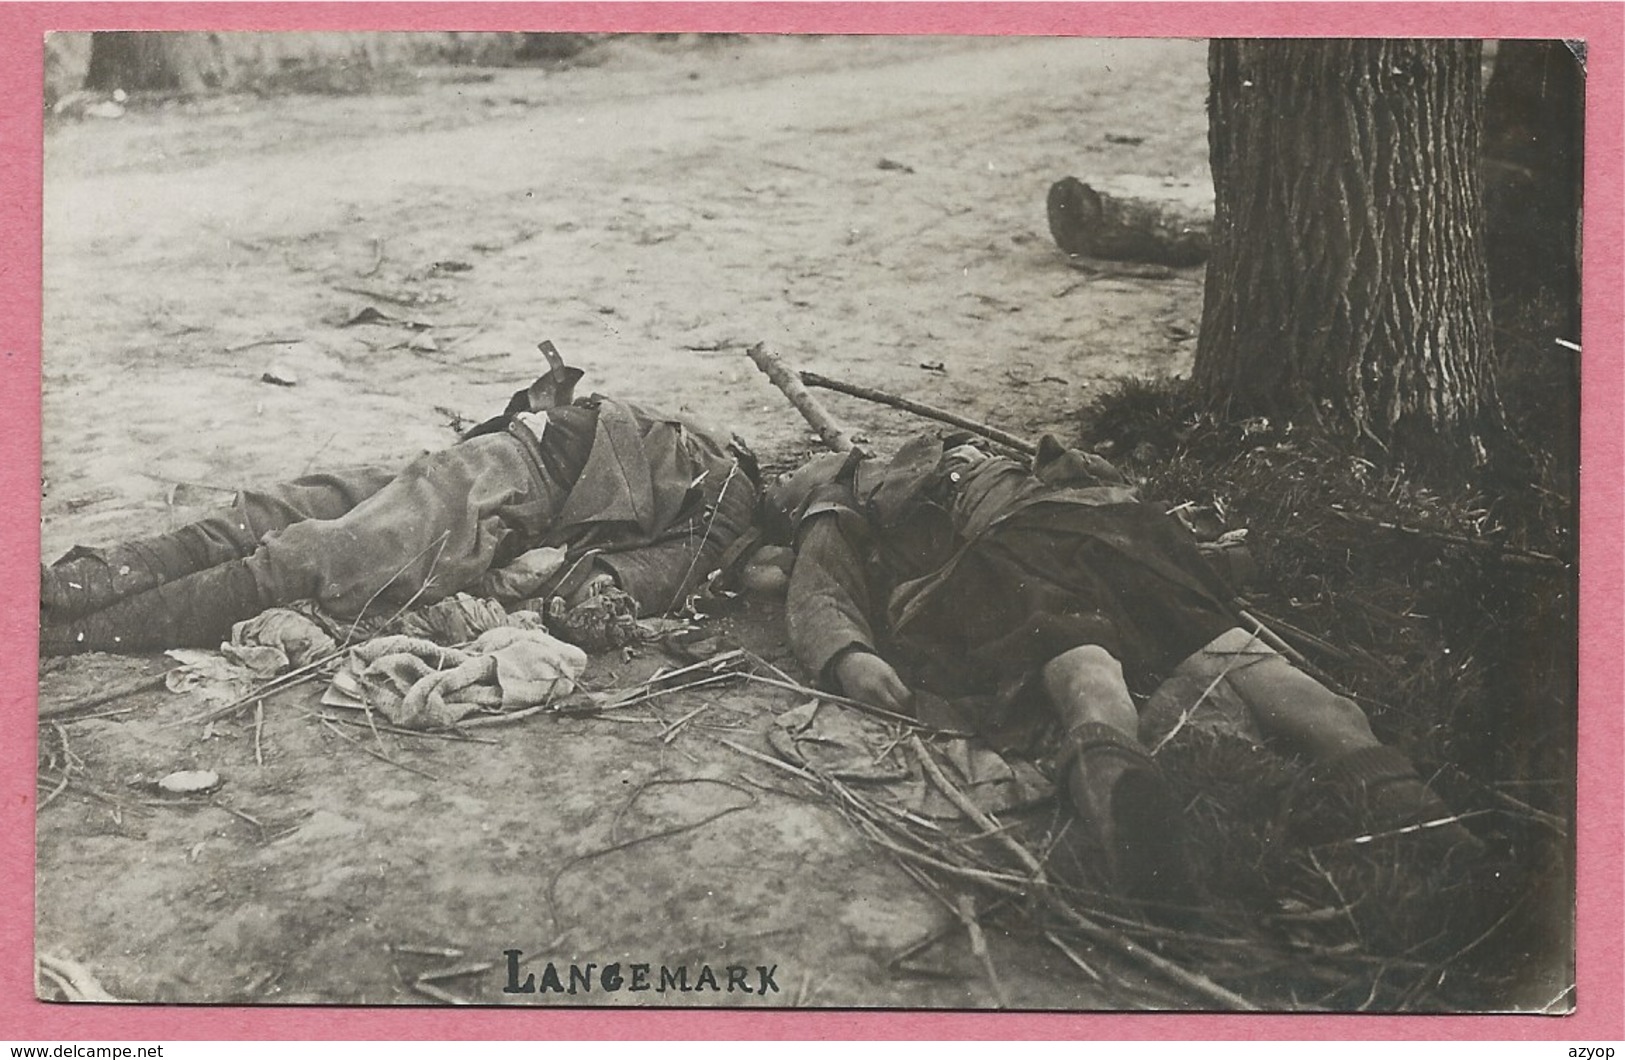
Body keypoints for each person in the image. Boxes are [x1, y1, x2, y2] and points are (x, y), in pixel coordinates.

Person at [770, 432, 1480, 905]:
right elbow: (821, 595)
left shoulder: (851, 492)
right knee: (1251, 664)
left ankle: (1132, 838)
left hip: (1032, 545)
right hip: (1109, 533)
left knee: (1088, 682)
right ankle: (1440, 837)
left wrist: (849, 656)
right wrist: (848, 656)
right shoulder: (845, 498)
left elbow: (819, 594)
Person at [41, 348, 758, 655]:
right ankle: (63, 627)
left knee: (291, 511)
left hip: (500, 451)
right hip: (513, 476)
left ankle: (68, 590)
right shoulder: (735, 493)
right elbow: (621, 583)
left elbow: (619, 577)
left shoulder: (712, 459)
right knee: (327, 557)